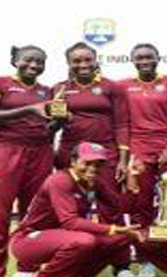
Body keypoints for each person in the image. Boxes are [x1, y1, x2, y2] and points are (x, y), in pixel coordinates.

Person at [10, 142, 142, 277]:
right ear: (73, 161)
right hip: (28, 240)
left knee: (122, 238)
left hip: (62, 237)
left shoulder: (94, 182)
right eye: (87, 163)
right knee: (84, 240)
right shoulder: (60, 180)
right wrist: (113, 228)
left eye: (98, 164)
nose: (92, 169)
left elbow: (121, 206)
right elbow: (70, 222)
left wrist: (132, 178)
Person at [0, 45, 54, 277]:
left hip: (40, 151)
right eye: (28, 60)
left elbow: (49, 126)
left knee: (33, 217)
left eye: (39, 62)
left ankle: (27, 269)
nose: (33, 65)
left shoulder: (48, 91)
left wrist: (58, 122)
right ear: (14, 60)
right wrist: (28, 110)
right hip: (4, 152)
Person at [116, 43, 167, 277]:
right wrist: (125, 157)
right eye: (139, 58)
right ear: (132, 60)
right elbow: (122, 123)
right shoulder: (123, 86)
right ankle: (145, 258)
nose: (145, 61)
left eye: (149, 57)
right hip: (139, 147)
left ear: (158, 58)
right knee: (141, 203)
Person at [54, 42, 129, 221]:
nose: (83, 65)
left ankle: (114, 247)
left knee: (111, 205)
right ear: (68, 63)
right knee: (72, 205)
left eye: (88, 60)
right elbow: (51, 126)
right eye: (76, 61)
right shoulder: (59, 89)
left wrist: (123, 160)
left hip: (105, 154)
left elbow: (122, 124)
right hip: (71, 154)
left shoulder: (111, 87)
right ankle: (78, 245)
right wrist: (58, 118)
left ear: (96, 61)